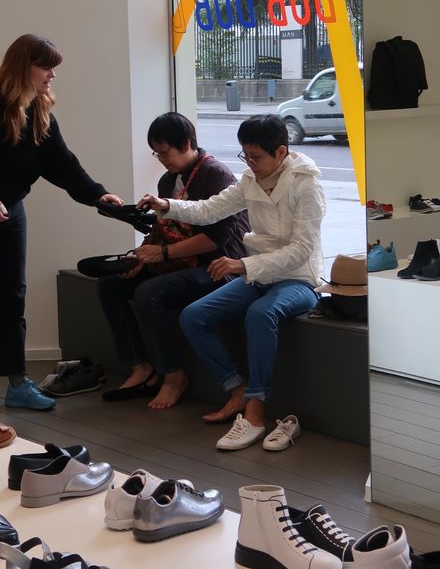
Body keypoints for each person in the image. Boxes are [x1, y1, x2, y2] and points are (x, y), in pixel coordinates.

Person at [0, 33, 122, 412]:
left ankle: (17, 382)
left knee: (14, 296)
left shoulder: (40, 114)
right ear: (24, 67)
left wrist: (98, 195)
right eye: (46, 67)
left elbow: (64, 166)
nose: (52, 75)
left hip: (11, 212)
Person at [139, 114, 324, 450]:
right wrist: (166, 205)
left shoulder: (306, 185)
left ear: (281, 152)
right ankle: (236, 389)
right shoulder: (251, 179)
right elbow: (208, 210)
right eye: (245, 155)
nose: (249, 163)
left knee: (260, 313)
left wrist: (242, 265)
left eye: (256, 157)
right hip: (258, 274)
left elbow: (301, 251)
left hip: (298, 280)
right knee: (194, 316)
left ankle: (255, 410)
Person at [98, 112, 249, 410]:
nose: (161, 159)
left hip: (219, 265)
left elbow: (215, 239)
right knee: (110, 285)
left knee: (149, 292)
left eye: (164, 152)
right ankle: (140, 366)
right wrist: (143, 256)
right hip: (183, 262)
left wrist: (163, 254)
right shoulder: (168, 180)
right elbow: (162, 230)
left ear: (187, 144)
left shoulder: (216, 175)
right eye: (157, 153)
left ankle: (173, 375)